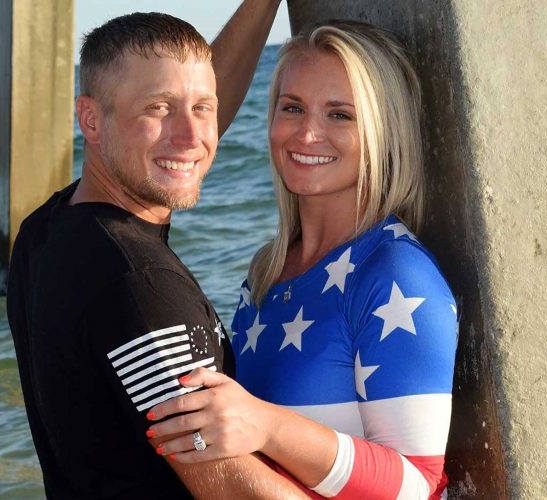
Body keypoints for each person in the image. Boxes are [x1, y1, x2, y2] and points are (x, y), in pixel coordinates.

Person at [147, 20, 458, 499]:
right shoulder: (266, 270)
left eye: (340, 115)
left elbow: (417, 485)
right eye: (292, 108)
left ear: (384, 131)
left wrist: (266, 425)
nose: (308, 133)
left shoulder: (395, 273)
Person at [6, 3, 308, 499]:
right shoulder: (137, 287)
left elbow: (181, 139)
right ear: (91, 119)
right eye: (158, 108)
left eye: (203, 108)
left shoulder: (46, 230)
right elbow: (233, 489)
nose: (192, 137)